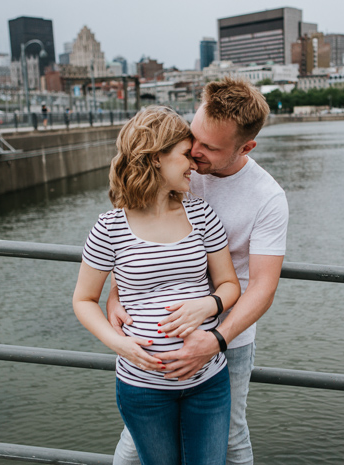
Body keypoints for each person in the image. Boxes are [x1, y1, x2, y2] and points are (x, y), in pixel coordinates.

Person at [110, 77, 289, 465]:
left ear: (246, 147)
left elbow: (262, 287)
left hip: (229, 337)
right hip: (156, 339)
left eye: (210, 147)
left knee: (230, 437)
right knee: (134, 441)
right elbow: (129, 233)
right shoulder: (176, 162)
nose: (195, 152)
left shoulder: (267, 198)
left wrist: (217, 340)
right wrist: (115, 291)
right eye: (194, 137)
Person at [73, 106, 241, 465]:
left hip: (207, 383)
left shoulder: (202, 215)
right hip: (142, 390)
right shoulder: (109, 227)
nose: (194, 165)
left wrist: (208, 305)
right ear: (156, 157)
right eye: (184, 155)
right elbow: (84, 299)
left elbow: (229, 284)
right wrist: (121, 345)